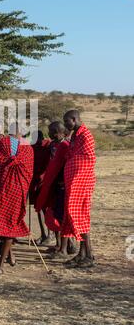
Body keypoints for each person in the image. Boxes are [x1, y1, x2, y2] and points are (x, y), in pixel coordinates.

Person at [0, 126, 34, 276]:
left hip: (1, 188)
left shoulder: (2, 143)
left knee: (4, 222)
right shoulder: (28, 148)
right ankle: (6, 260)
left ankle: (4, 261)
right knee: (10, 223)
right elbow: (29, 171)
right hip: (18, 190)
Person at [62, 110, 96, 268]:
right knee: (76, 215)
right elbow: (71, 155)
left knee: (80, 215)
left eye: (67, 121)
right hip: (74, 182)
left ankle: (88, 255)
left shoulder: (85, 135)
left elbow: (88, 158)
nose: (65, 125)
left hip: (82, 181)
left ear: (74, 119)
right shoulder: (76, 135)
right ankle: (82, 254)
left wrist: (73, 172)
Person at [36, 122, 76, 256]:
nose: (49, 133)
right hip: (54, 184)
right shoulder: (52, 145)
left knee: (63, 215)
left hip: (63, 184)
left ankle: (68, 245)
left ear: (57, 132)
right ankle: (59, 244)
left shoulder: (66, 145)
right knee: (55, 214)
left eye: (51, 131)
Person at [29, 130, 52, 245]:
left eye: (38, 139)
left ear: (42, 138)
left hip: (45, 181)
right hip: (34, 182)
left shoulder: (48, 146)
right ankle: (43, 234)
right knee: (38, 209)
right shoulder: (31, 147)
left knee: (46, 209)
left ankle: (49, 234)